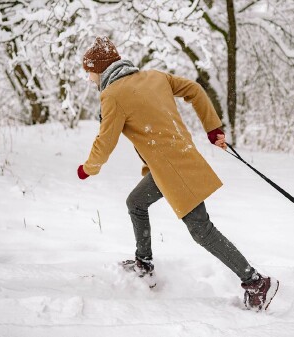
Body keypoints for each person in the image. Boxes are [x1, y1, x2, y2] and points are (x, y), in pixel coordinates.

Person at [76, 36, 279, 310]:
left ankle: (256, 281)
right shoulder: (154, 76)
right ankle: (144, 264)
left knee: (201, 230)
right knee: (135, 203)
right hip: (169, 165)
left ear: (100, 68)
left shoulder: (112, 95)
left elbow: (105, 141)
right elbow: (194, 89)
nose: (88, 79)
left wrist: (88, 168)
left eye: (89, 72)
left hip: (174, 171)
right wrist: (213, 128)